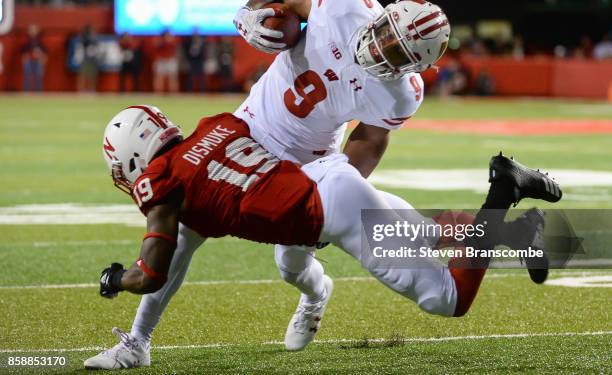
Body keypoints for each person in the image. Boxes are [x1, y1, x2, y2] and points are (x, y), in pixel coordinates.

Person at [85, 0, 453, 368]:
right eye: (387, 36)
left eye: (398, 53)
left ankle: (316, 294)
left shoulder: (402, 93)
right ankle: (137, 342)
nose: (381, 49)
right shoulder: (346, 2)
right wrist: (249, 12)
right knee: (183, 225)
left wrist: (342, 183)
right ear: (386, 14)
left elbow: (370, 139)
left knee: (290, 265)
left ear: (416, 67)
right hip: (248, 128)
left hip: (309, 161)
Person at [85, 106, 561, 369]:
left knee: (448, 296)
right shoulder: (215, 127)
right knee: (429, 239)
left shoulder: (164, 182)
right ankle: (519, 231)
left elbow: (152, 273)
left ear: (132, 158)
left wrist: (113, 280)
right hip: (322, 176)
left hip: (324, 208)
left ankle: (504, 187)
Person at [21, 24, 47, 92]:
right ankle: (26, 91)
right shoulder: (26, 41)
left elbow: (45, 52)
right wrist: (24, 58)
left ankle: (38, 92)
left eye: (34, 30)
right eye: (31, 30)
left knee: (38, 76)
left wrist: (42, 58)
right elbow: (22, 52)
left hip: (38, 61)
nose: (33, 31)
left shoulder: (40, 41)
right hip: (29, 61)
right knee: (27, 76)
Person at [77, 25, 100, 93]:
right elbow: (82, 45)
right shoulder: (84, 37)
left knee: (92, 75)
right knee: (83, 74)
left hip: (93, 58)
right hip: (85, 58)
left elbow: (97, 46)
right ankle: (81, 89)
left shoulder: (95, 38)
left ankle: (92, 89)